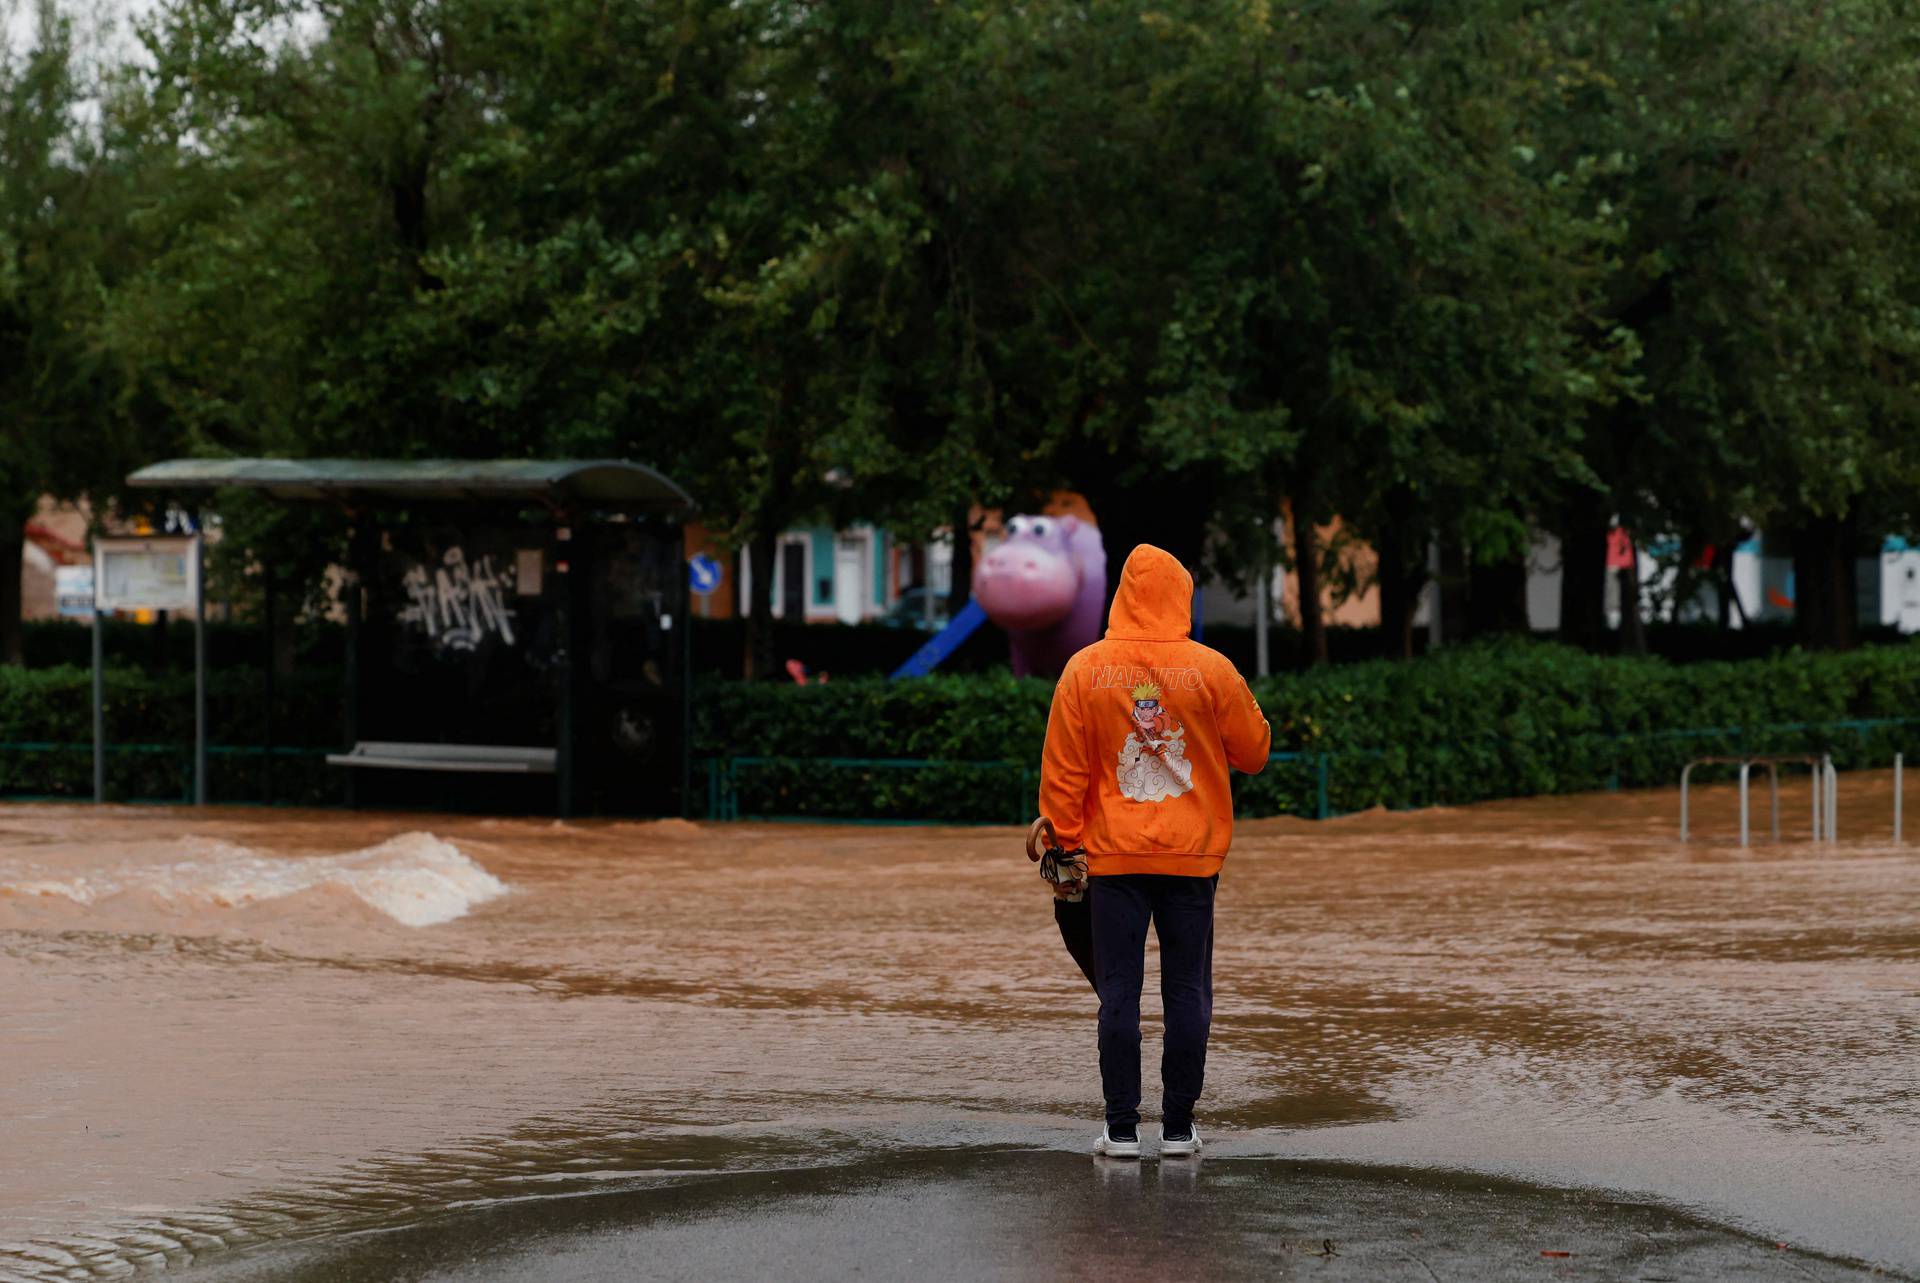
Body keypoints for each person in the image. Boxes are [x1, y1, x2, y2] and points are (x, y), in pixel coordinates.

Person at [1037, 543, 1271, 1158]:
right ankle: (1176, 1130)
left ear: (1121, 596)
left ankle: (1119, 1131)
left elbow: (1063, 773)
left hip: (1112, 858)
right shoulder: (1213, 669)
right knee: (1187, 991)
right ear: (1182, 596)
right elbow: (1254, 753)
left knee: (1120, 992)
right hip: (1191, 859)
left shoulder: (1083, 669)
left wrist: (1064, 846)